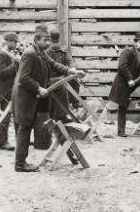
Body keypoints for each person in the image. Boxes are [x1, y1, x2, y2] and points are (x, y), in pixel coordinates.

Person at [13, 24, 83, 172]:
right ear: (36, 39)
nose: (49, 43)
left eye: (49, 40)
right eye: (45, 40)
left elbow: (53, 64)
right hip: (27, 97)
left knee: (53, 113)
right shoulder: (29, 54)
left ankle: (62, 117)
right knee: (25, 128)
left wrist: (70, 70)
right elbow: (23, 78)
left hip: (38, 96)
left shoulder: (41, 52)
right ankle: (20, 164)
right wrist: (38, 87)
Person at [108, 32, 140, 137]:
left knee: (124, 105)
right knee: (123, 105)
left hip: (130, 83)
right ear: (135, 42)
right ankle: (121, 131)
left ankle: (122, 130)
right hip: (122, 82)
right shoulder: (127, 51)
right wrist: (129, 79)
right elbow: (122, 66)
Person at [0, 32, 20, 151]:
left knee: (17, 115)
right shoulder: (1, 55)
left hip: (12, 89)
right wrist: (14, 65)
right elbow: (1, 73)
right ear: (8, 41)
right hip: (3, 90)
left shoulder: (10, 55)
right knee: (5, 117)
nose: (16, 44)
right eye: (14, 42)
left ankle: (19, 139)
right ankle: (2, 142)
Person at [46, 28, 76, 122]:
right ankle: (63, 114)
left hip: (62, 76)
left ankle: (75, 103)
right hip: (50, 78)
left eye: (57, 43)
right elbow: (52, 66)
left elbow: (70, 60)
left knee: (74, 80)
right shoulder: (46, 52)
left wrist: (73, 68)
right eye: (54, 43)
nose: (56, 45)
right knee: (62, 84)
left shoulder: (63, 50)